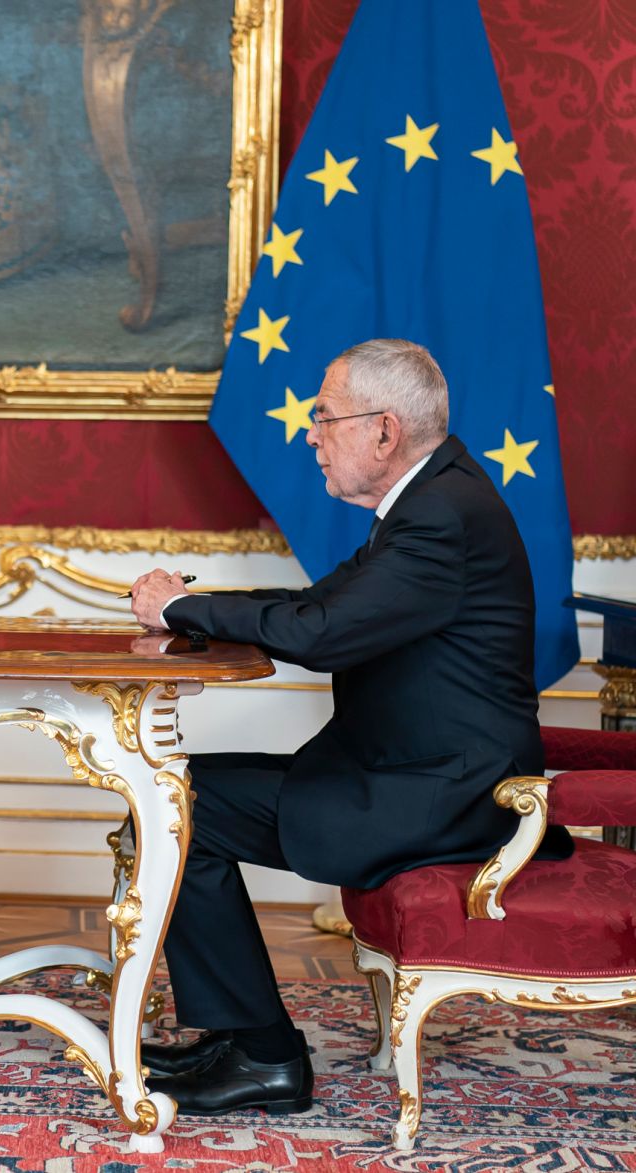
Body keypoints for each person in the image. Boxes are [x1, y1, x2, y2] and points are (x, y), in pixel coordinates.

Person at [127, 338, 569, 1114]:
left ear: (384, 431)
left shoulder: (439, 516)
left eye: (325, 417)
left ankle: (264, 1056)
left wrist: (178, 609)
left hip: (436, 794)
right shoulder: (435, 498)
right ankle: (241, 1042)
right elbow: (321, 604)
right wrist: (193, 608)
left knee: (174, 802)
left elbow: (323, 631)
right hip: (414, 773)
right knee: (176, 793)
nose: (311, 434)